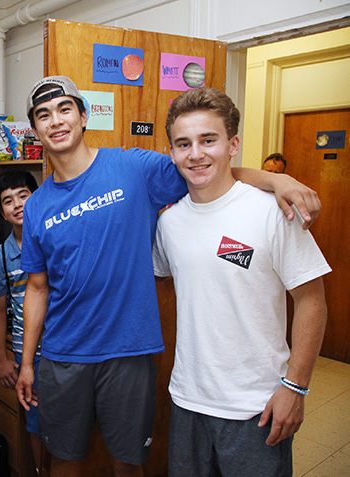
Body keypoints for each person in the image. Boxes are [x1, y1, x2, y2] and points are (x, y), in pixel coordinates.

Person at [15, 76, 322, 477]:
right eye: (43, 115)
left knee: (128, 462)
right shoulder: (37, 206)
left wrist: (275, 179)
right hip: (66, 354)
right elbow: (37, 288)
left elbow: (206, 169)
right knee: (63, 460)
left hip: (129, 354)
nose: (55, 121)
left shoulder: (132, 167)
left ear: (84, 115)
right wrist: (26, 363)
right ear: (35, 130)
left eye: (64, 109)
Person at [154, 86, 330, 476]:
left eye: (208, 140)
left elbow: (312, 301)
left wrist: (296, 387)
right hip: (188, 401)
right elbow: (162, 279)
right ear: (172, 153)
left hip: (258, 405)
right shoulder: (169, 223)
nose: (196, 153)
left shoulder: (271, 211)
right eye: (183, 143)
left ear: (233, 144)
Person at [0, 170, 43, 470]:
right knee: (35, 425)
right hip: (27, 355)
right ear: (3, 214)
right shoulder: (0, 257)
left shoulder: (54, 240)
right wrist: (1, 358)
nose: (18, 204)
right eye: (8, 201)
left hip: (64, 348)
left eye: (24, 195)